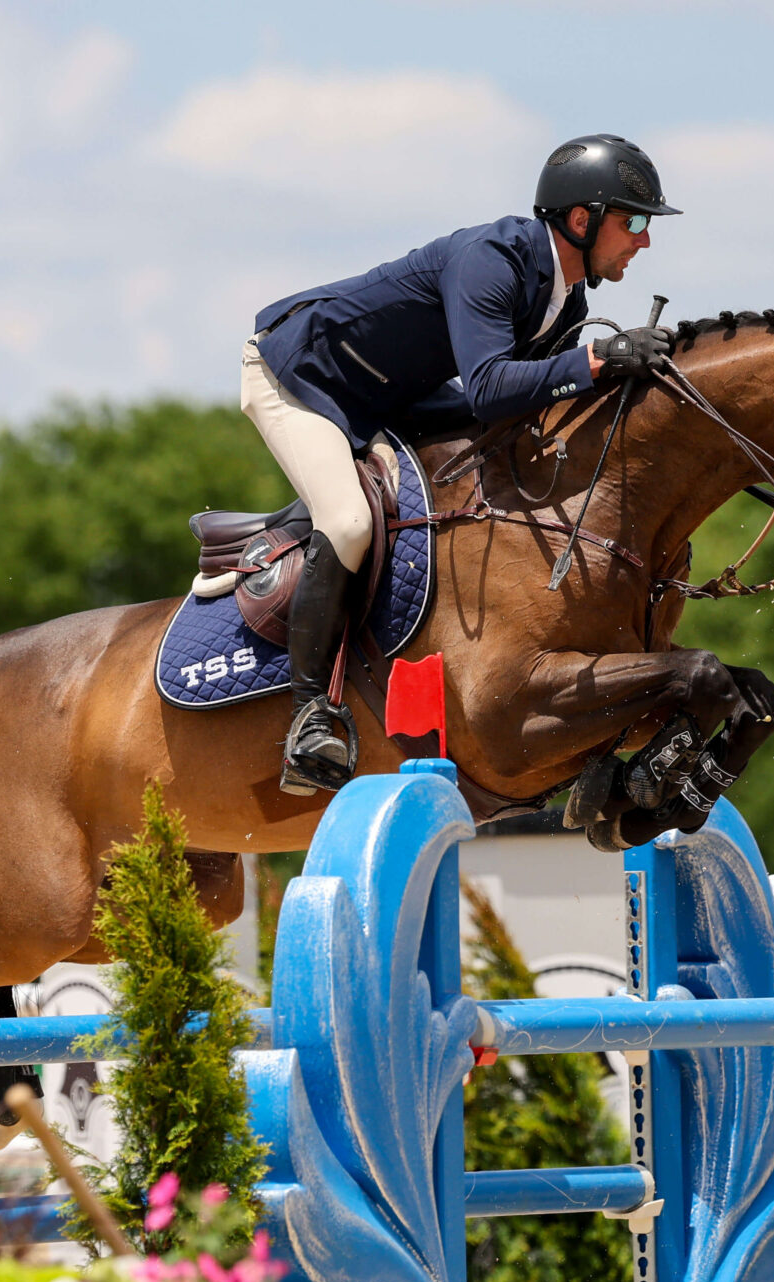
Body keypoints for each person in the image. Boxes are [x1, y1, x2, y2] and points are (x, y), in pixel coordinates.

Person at [244, 134, 681, 794]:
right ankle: (312, 715)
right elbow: (487, 387)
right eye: (635, 220)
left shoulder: (569, 300)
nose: (644, 240)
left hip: (394, 396)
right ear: (582, 219)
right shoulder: (493, 260)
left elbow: (527, 413)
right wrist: (597, 361)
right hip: (303, 376)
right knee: (349, 520)